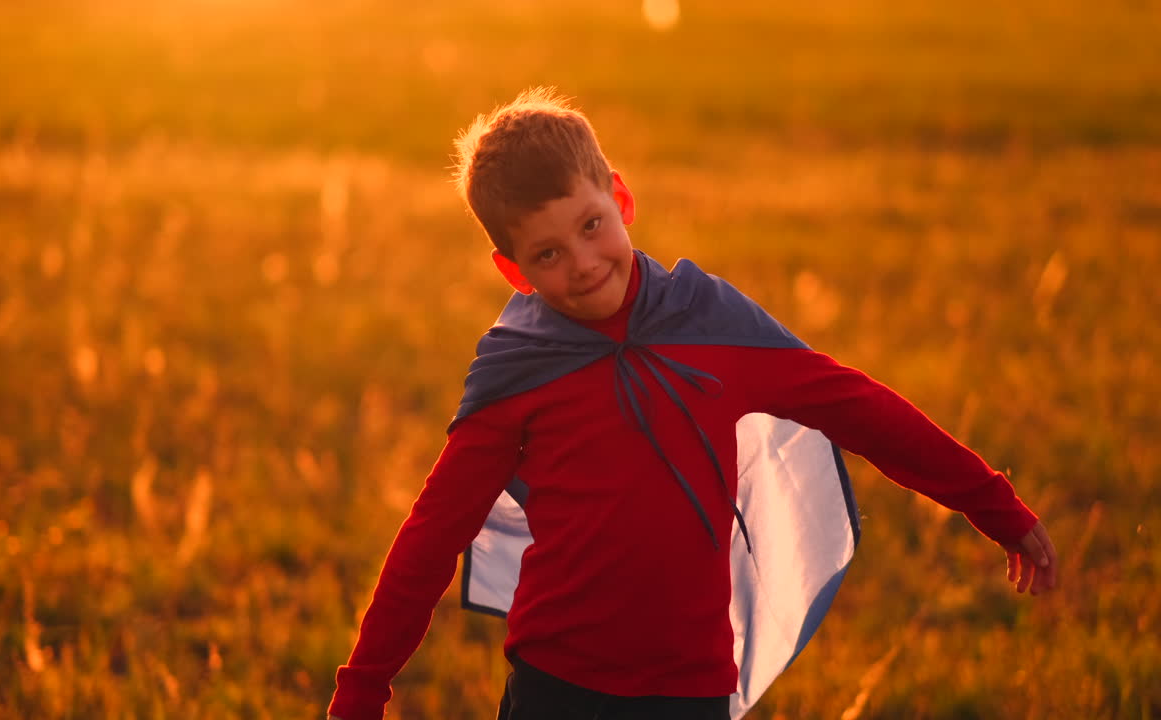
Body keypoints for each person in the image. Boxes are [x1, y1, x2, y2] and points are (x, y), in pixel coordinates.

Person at [325, 88, 1057, 720]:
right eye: (547, 254)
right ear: (512, 270)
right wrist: (362, 687)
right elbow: (430, 536)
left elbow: (858, 408)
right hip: (557, 690)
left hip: (692, 690)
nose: (583, 264)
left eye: (591, 226)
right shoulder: (518, 374)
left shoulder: (712, 325)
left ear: (621, 198)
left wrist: (993, 504)